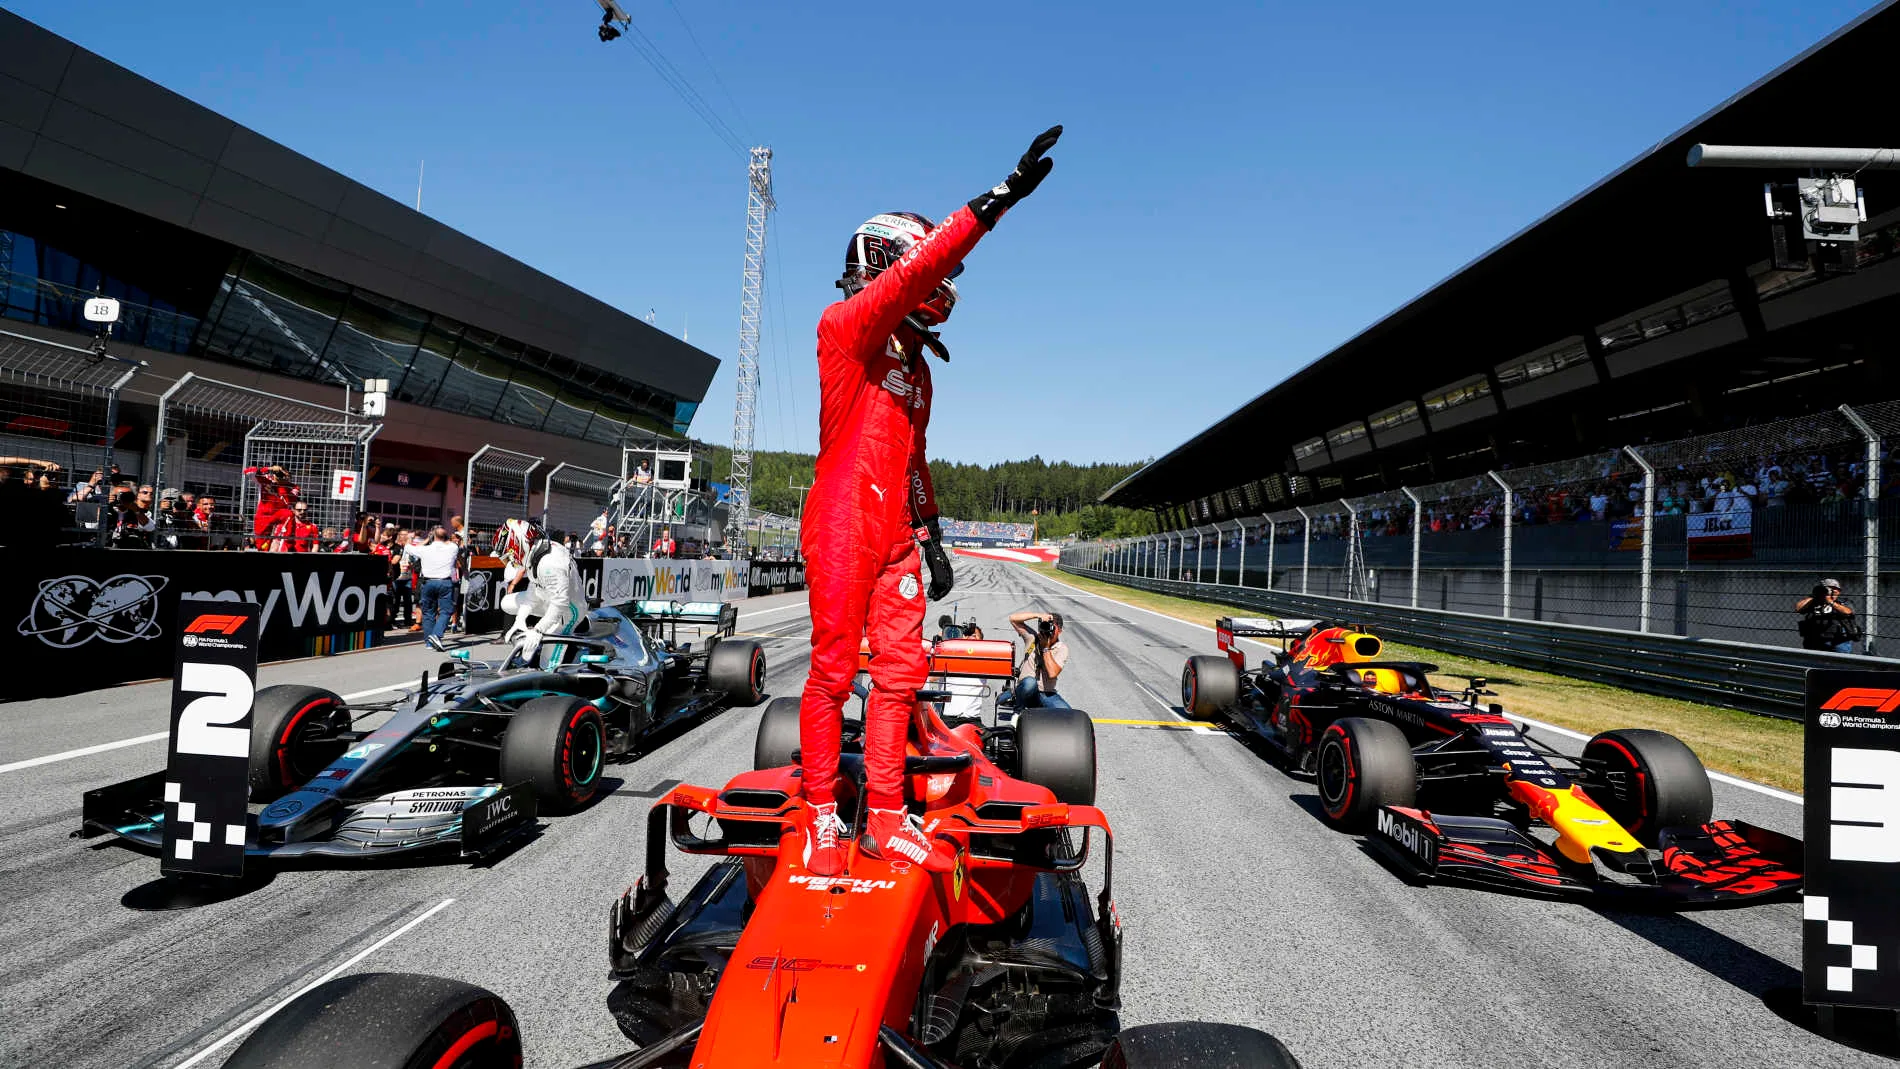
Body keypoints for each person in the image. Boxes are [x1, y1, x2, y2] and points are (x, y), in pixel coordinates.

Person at [797, 126, 1063, 877]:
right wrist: (993, 205)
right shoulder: (842, 329)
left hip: (891, 532)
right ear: (888, 261)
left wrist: (933, 533)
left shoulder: (918, 371)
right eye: (922, 266)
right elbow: (916, 278)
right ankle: (822, 808)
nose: (941, 285)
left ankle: (884, 814)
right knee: (831, 671)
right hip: (844, 520)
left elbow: (912, 459)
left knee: (902, 676)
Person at [496, 518, 588, 666]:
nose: (510, 561)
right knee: (506, 603)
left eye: (509, 555)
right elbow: (534, 590)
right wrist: (520, 619)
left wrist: (539, 630)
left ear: (519, 544)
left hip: (569, 610)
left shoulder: (550, 563)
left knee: (548, 662)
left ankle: (562, 658)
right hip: (550, 599)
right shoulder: (536, 554)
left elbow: (560, 603)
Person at [406, 526, 461, 651]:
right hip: (445, 583)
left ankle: (429, 642)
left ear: (433, 536)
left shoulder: (424, 549)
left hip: (428, 582)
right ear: (446, 537)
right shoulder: (452, 548)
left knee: (428, 613)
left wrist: (412, 537)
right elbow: (450, 543)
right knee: (446, 611)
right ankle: (436, 635)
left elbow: (408, 548)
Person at [1009, 610, 1071, 708]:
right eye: (1045, 626)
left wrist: (1045, 648)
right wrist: (1038, 615)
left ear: (1059, 631)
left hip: (1046, 693)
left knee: (1066, 713)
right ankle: (1017, 711)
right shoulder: (1032, 638)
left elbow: (1052, 673)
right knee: (1030, 683)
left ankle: (1042, 713)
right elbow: (1013, 619)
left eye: (1052, 628)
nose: (1047, 631)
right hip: (1026, 690)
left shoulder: (1062, 648)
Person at [1796, 578, 1858, 654]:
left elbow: (1848, 612)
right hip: (1814, 640)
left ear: (1839, 591)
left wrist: (1830, 601)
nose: (1833, 591)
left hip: (1838, 641)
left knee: (1840, 663)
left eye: (1835, 589)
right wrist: (1814, 596)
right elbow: (1798, 608)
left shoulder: (1844, 602)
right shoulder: (1813, 602)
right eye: (1830, 589)